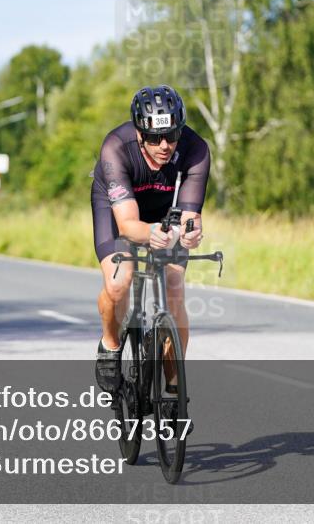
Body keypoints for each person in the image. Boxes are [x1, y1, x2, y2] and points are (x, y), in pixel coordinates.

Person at [91, 85, 210, 394]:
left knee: (175, 291)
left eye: (171, 136)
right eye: (155, 138)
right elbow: (129, 225)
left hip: (164, 211)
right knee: (120, 283)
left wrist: (191, 232)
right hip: (119, 211)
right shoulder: (115, 148)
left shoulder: (196, 149)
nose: (164, 145)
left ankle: (173, 387)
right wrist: (151, 233)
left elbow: (190, 215)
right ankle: (110, 343)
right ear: (139, 133)